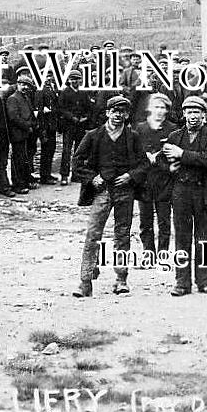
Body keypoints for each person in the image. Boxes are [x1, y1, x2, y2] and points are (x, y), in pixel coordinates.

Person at [72, 96, 149, 297]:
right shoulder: (93, 135)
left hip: (125, 192)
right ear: (107, 113)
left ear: (127, 115)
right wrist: (92, 178)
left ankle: (121, 279)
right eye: (115, 111)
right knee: (93, 234)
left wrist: (130, 176)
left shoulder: (133, 137)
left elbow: (144, 165)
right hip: (102, 192)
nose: (118, 115)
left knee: (122, 235)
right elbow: (77, 162)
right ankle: (85, 281)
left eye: (122, 112)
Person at [160, 96, 207, 296]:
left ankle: (204, 281)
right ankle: (182, 282)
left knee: (203, 237)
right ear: (184, 114)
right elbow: (161, 160)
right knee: (182, 236)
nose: (193, 116)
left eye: (197, 112)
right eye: (189, 111)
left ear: (204, 115)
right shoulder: (174, 136)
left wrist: (182, 154)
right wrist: (169, 166)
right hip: (181, 191)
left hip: (203, 191)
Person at [135, 94, 177, 260]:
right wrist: (145, 155)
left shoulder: (172, 129)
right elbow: (134, 152)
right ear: (149, 109)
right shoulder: (140, 128)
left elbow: (175, 154)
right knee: (145, 219)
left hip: (164, 178)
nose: (159, 111)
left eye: (163, 108)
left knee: (164, 219)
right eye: (156, 107)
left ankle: (163, 254)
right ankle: (148, 253)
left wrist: (161, 158)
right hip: (145, 179)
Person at [57, 69, 92, 186]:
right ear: (69, 80)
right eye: (73, 79)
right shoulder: (65, 92)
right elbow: (61, 108)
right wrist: (72, 117)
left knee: (79, 151)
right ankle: (64, 175)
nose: (75, 81)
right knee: (66, 150)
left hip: (80, 126)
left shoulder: (83, 93)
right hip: (69, 125)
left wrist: (85, 118)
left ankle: (76, 175)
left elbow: (89, 107)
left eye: (77, 79)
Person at [5, 75, 36, 194]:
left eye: (27, 85)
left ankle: (24, 181)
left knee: (24, 159)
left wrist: (32, 124)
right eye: (22, 84)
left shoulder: (26, 97)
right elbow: (14, 118)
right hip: (17, 134)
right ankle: (17, 185)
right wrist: (27, 126)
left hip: (26, 133)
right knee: (18, 160)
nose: (25, 87)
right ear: (17, 84)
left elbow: (30, 113)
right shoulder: (13, 99)